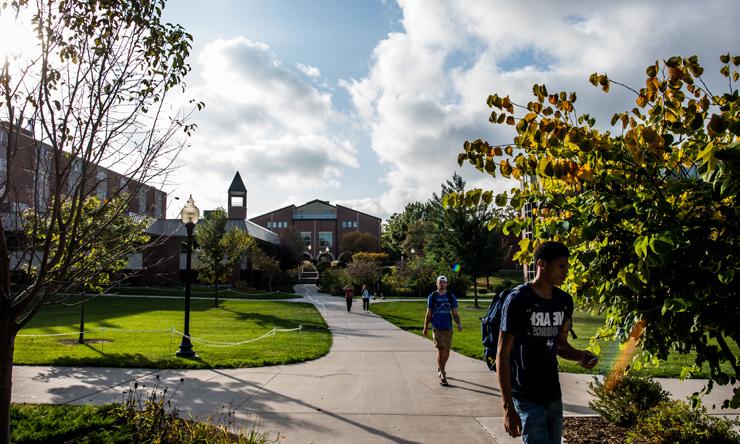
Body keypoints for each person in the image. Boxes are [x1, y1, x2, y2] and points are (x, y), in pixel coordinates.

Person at [497, 241, 598, 443]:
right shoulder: (518, 300)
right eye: (561, 266)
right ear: (542, 264)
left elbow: (561, 344)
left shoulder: (564, 301)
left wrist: (580, 355)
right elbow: (503, 354)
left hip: (553, 393)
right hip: (525, 395)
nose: (566, 272)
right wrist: (508, 406)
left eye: (567, 267)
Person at [422, 275, 462, 387]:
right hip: (437, 327)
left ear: (446, 284)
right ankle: (443, 374)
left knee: (447, 351)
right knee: (441, 349)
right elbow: (428, 314)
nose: (442, 284)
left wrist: (458, 323)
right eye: (440, 282)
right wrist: (425, 327)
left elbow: (455, 313)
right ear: (437, 283)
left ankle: (440, 367)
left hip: (448, 327)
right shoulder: (432, 296)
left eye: (444, 282)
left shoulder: (450, 296)